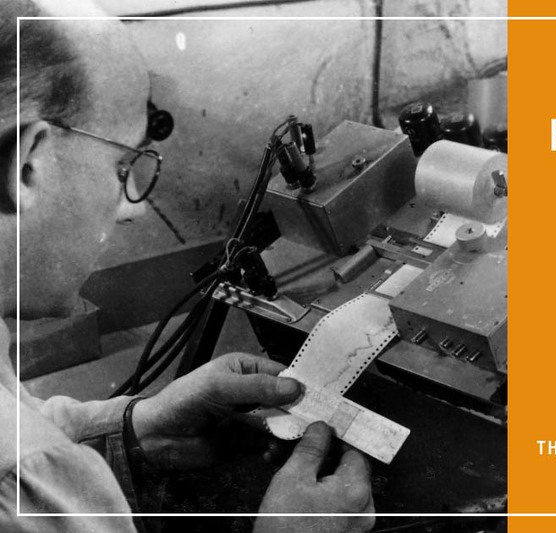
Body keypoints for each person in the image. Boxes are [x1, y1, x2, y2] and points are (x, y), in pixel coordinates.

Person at [0, 1, 375, 531]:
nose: (131, 209)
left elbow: (26, 431)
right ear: (28, 165)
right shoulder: (23, 478)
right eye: (123, 166)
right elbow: (29, 464)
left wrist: (139, 429)